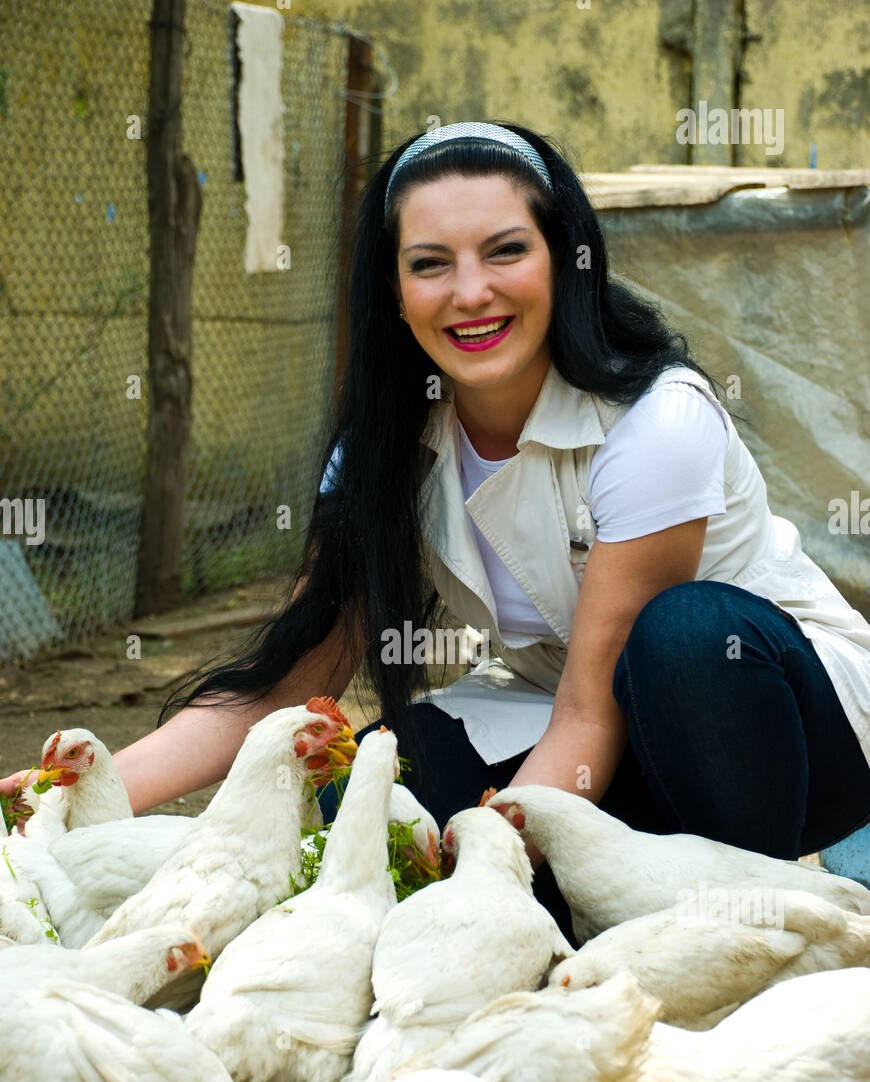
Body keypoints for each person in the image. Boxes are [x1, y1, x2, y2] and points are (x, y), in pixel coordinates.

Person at [5, 121, 870, 930]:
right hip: (584, 727)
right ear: (394, 286)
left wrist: (480, 890)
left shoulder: (658, 421)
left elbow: (591, 710)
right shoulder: (385, 449)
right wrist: (68, 794)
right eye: (430, 264)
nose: (470, 293)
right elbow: (281, 688)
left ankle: (756, 909)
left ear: (564, 263)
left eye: (506, 252)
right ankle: (605, 909)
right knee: (384, 770)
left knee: (684, 638)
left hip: (776, 729)